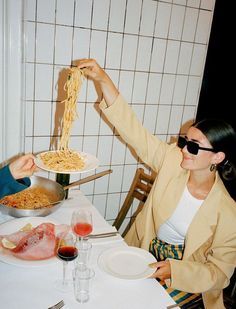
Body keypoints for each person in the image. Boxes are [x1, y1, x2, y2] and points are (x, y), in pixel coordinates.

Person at [77, 59, 236, 308]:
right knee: (103, 290)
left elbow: (220, 272)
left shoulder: (228, 211)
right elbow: (135, 132)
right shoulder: (174, 160)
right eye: (185, 141)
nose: (184, 150)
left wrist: (174, 270)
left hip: (183, 272)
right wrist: (103, 80)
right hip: (143, 248)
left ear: (217, 157)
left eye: (193, 146)